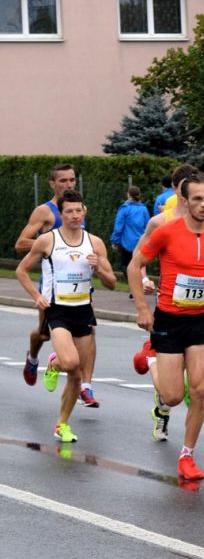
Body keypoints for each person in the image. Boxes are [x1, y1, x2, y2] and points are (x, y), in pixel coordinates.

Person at [127, 173, 204, 482]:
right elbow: (134, 266)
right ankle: (151, 358)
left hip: (201, 319)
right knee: (173, 396)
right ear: (184, 201)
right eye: (198, 199)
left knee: (200, 389)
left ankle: (187, 455)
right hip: (169, 319)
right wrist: (142, 308)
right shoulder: (166, 231)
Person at [14, 191, 117, 442]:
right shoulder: (47, 241)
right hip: (57, 310)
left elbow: (112, 283)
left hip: (83, 310)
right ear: (61, 214)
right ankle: (55, 363)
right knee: (70, 363)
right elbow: (21, 270)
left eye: (78, 210)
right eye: (69, 211)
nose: (74, 215)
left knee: (76, 374)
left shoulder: (95, 243)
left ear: (84, 211)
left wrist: (99, 268)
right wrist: (37, 296)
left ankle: (61, 424)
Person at [13, 163, 100, 405]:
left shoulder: (78, 209)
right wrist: (53, 243)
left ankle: (86, 386)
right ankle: (33, 357)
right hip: (52, 289)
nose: (68, 184)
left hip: (80, 288)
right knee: (42, 335)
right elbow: (20, 243)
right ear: (52, 184)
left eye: (72, 180)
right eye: (63, 180)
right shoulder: (44, 211)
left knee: (90, 331)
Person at [131, 163, 200, 441]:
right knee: (174, 388)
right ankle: (152, 362)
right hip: (169, 308)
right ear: (175, 189)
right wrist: (144, 279)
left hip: (201, 311)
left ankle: (164, 411)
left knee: (199, 375)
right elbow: (138, 257)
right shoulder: (161, 221)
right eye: (184, 188)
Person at [110, 186, 149, 271]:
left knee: (126, 266)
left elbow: (118, 227)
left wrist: (115, 241)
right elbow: (148, 227)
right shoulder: (144, 209)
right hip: (140, 243)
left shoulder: (124, 208)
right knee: (139, 267)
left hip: (127, 244)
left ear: (128, 195)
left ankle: (130, 279)